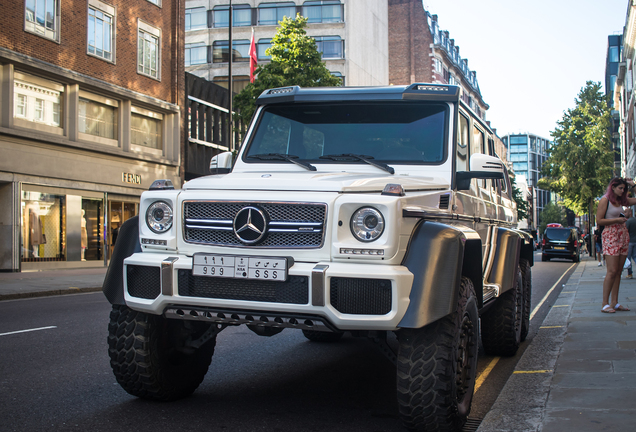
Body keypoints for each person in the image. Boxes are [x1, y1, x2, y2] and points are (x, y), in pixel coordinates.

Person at [596, 177, 634, 313]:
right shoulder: (605, 200)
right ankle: (605, 303)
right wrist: (617, 219)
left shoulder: (621, 201)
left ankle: (615, 302)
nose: (623, 190)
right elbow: (599, 220)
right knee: (611, 271)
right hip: (610, 235)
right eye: (620, 188)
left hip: (623, 235)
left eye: (624, 188)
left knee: (619, 271)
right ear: (613, 187)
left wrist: (633, 184)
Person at [625, 208, 636, 279]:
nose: (624, 214)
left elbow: (625, 232)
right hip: (635, 241)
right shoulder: (635, 220)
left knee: (628, 258)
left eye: (625, 212)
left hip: (629, 242)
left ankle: (630, 273)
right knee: (635, 257)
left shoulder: (628, 222)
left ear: (630, 212)